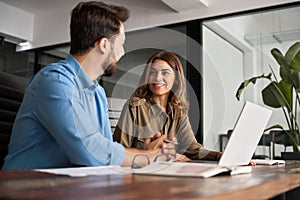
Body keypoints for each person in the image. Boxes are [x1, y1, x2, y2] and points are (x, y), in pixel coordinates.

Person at [2, 1, 170, 170]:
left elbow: (102, 152)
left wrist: (142, 151)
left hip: (68, 186)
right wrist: (148, 157)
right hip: (24, 185)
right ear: (104, 45)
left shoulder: (98, 93)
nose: (122, 52)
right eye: (121, 44)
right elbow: (88, 150)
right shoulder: (55, 81)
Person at [113, 51, 223, 161]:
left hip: (169, 173)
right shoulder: (134, 107)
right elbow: (118, 152)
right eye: (152, 72)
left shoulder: (178, 112)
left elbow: (192, 149)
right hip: (139, 174)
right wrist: (162, 156)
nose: (157, 78)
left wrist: (219, 155)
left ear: (176, 79)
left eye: (165, 73)